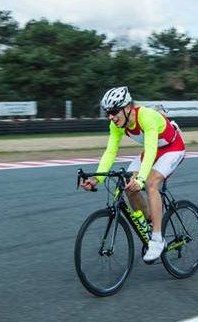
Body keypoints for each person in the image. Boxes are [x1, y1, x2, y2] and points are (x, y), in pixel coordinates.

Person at [80, 86, 186, 263]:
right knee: (128, 185)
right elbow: (110, 152)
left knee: (151, 184)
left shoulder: (146, 116)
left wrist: (141, 179)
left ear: (127, 107)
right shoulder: (116, 125)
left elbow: (151, 149)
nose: (111, 117)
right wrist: (96, 178)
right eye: (108, 113)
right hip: (153, 151)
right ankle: (149, 219)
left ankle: (158, 238)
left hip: (172, 148)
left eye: (114, 112)